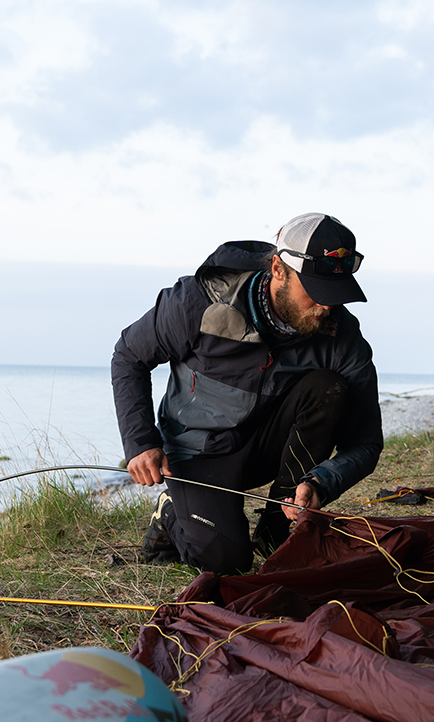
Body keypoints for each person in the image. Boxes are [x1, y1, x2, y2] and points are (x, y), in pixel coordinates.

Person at [110, 213, 383, 574]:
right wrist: (141, 442)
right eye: (316, 292)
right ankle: (172, 511)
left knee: (329, 389)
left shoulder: (341, 334)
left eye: (337, 294)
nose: (327, 307)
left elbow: (365, 443)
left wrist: (321, 481)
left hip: (266, 449)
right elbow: (129, 356)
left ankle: (277, 528)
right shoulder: (197, 301)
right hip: (198, 455)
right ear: (278, 269)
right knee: (227, 562)